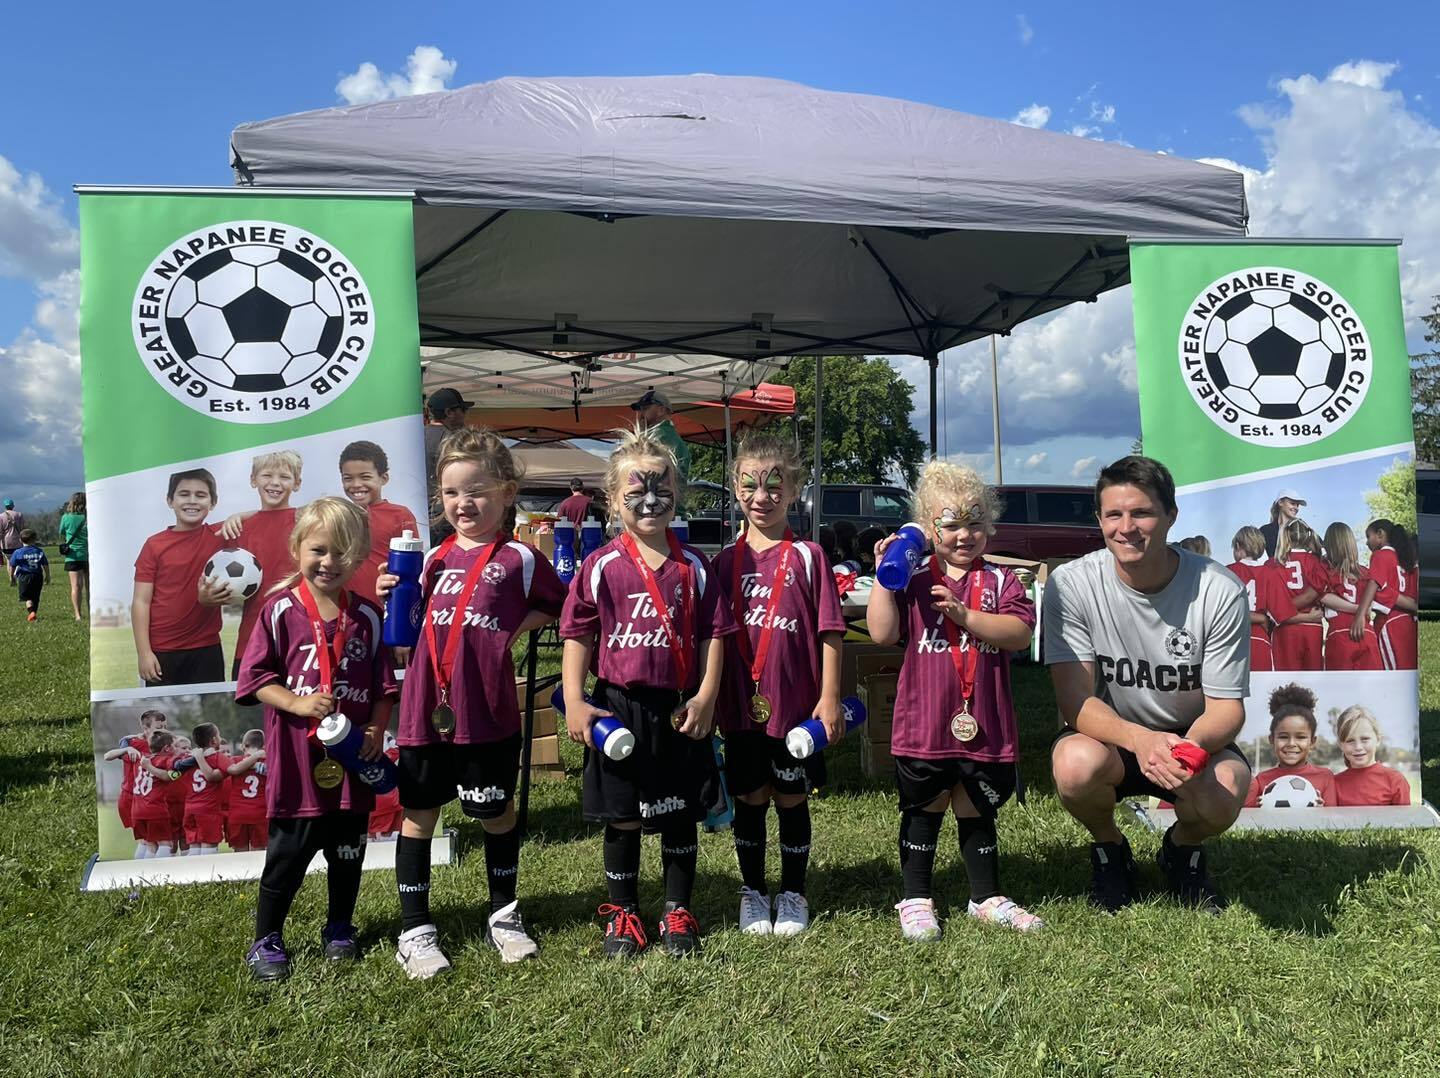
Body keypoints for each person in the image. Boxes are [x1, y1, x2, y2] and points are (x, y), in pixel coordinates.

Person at [377, 427, 566, 978]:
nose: (464, 504)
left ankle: (504, 916)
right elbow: (411, 632)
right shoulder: (430, 559)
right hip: (424, 712)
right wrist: (393, 595)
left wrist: (511, 628)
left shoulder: (519, 559)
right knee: (419, 817)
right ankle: (414, 930)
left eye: (477, 491)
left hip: (486, 712)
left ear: (507, 492)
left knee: (497, 813)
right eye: (453, 493)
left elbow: (563, 608)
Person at [560, 422, 736, 958]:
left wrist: (707, 696)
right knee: (624, 814)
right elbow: (577, 634)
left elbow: (714, 635)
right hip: (618, 706)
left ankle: (678, 909)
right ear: (613, 500)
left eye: (661, 489)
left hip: (680, 706)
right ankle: (624, 912)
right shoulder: (600, 566)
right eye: (636, 492)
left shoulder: (696, 567)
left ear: (677, 493)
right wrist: (573, 699)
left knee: (679, 809)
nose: (650, 500)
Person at [1045, 455, 1250, 914]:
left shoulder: (1220, 589)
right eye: (1113, 514)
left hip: (1188, 740)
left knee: (1225, 795)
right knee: (1074, 767)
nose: (1126, 527)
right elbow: (1074, 700)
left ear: (1171, 516)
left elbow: (1227, 710)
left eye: (1142, 513)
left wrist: (1186, 749)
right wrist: (1140, 740)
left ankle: (1181, 849)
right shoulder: (1071, 584)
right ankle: (1110, 848)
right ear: (1099, 519)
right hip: (1109, 739)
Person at [868, 461, 1041, 940]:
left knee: (976, 809)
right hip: (925, 724)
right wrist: (886, 577)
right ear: (928, 528)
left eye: (974, 522)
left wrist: (966, 615)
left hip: (983, 722)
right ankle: (916, 896)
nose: (964, 535)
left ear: (989, 524)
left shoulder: (1003, 581)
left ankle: (985, 896)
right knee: (925, 809)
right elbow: (882, 633)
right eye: (950, 524)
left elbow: (1019, 634)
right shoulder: (913, 576)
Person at [234, 497, 398, 982]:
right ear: (297, 547)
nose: (329, 562)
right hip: (298, 764)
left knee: (348, 851)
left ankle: (340, 927)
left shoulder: (367, 615)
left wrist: (375, 726)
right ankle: (266, 938)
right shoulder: (279, 611)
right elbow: (254, 679)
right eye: (319, 550)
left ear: (361, 555)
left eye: (343, 553)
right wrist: (297, 703)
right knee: (287, 856)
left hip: (351, 763)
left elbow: (385, 684)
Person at [713, 432, 846, 937]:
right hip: (739, 707)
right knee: (749, 797)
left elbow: (830, 631)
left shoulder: (810, 556)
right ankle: (752, 892)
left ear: (793, 490)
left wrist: (829, 699)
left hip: (794, 709)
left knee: (791, 798)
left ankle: (792, 892)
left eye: (774, 485)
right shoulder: (724, 562)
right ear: (735, 488)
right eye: (750, 484)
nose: (761, 496)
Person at [131, 469, 228, 686]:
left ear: (213, 502)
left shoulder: (220, 536)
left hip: (207, 648)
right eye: (184, 494)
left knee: (209, 711)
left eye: (201, 495)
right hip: (162, 650)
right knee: (164, 711)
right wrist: (144, 653)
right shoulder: (154, 545)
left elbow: (257, 518)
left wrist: (237, 518)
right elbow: (141, 601)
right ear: (170, 500)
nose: (192, 501)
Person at [220, 451, 304, 677]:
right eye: (267, 475)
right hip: (252, 640)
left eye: (284, 477)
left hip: (299, 639)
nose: (275, 482)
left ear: (297, 484)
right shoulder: (238, 528)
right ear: (253, 479)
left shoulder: (305, 521)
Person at [1243, 684, 1337, 807]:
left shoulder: (1325, 777)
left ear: (1312, 742)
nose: (1291, 744)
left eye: (1301, 737)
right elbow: (1252, 822)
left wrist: (1322, 812)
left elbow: (1333, 821)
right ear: (1272, 740)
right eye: (1283, 737)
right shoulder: (1261, 780)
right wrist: (1258, 810)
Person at [1225, 526, 1296, 673]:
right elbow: (1282, 614)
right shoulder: (1270, 574)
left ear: (1238, 545)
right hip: (1259, 640)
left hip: (1230, 640)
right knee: (1261, 692)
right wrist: (1262, 618)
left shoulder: (1226, 572)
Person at [103, 709, 169, 857]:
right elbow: (107, 756)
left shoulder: (162, 743)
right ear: (145, 728)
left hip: (147, 798)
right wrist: (126, 748)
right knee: (151, 842)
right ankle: (145, 873)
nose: (163, 730)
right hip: (133, 798)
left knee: (148, 841)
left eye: (165, 726)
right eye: (159, 727)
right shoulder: (134, 744)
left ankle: (143, 872)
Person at [1354, 519, 1418, 671]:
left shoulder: (1380, 555)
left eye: (1368, 536)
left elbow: (1374, 582)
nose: (1367, 543)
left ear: (1380, 534)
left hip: (1390, 623)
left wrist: (1360, 615)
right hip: (1408, 621)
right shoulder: (1404, 557)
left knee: (1393, 672)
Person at [1318, 523, 1381, 671]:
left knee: (1341, 690)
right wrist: (1360, 608)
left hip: (1339, 636)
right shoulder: (1365, 572)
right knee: (1373, 687)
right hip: (1367, 633)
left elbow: (1323, 596)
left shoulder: (1326, 570)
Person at [1272, 520, 1327, 672]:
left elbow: (1274, 607)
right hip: (1312, 626)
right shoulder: (1317, 562)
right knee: (1313, 685)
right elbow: (1318, 591)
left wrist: (1284, 609)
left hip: (1286, 629)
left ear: (1286, 537)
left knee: (1287, 685)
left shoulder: (1273, 564)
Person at [1332, 705, 1410, 806]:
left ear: (1378, 739)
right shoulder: (1334, 784)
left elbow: (1405, 820)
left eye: (1364, 739)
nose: (1358, 747)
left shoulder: (1395, 781)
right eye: (1350, 741)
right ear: (1341, 745)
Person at [424, 387, 472, 542]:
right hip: (444, 515)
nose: (465, 415)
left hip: (414, 512)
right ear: (449, 412)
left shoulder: (412, 435)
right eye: (463, 410)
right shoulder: (456, 441)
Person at [127, 730, 182, 859]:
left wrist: (128, 747)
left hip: (137, 810)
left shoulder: (141, 758)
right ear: (167, 748)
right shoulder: (165, 761)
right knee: (165, 844)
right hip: (154, 809)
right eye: (174, 745)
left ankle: (142, 874)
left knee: (150, 844)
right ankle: (160, 875)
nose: (176, 748)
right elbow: (168, 776)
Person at [631, 389, 691, 504]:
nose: (641, 414)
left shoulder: (657, 436)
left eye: (645, 408)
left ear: (661, 410)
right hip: (671, 509)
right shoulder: (671, 436)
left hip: (659, 510)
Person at [181, 723, 230, 857]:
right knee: (208, 846)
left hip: (190, 808)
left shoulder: (186, 759)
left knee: (194, 846)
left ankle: (193, 877)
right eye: (218, 736)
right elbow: (229, 771)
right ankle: (208, 876)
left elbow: (173, 773)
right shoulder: (217, 757)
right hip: (208, 810)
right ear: (214, 740)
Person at [225, 729, 268, 853]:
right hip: (260, 812)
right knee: (258, 852)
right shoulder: (267, 762)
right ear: (264, 746)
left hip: (238, 813)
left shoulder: (235, 761)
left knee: (240, 853)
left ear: (243, 746)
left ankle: (240, 873)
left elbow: (232, 770)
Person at [58, 492, 89, 622]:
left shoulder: (66, 517)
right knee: (90, 587)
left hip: (72, 556)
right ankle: (92, 611)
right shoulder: (89, 517)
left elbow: (61, 532)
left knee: (76, 586)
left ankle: (78, 614)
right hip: (89, 555)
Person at [8, 528, 49, 622]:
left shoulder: (18, 552)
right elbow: (45, 564)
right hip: (38, 576)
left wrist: (12, 577)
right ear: (34, 540)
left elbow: (12, 565)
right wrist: (48, 575)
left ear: (20, 540)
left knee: (27, 598)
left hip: (24, 577)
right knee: (35, 597)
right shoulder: (39, 551)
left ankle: (31, 612)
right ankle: (34, 613)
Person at [1259, 488, 1305, 558]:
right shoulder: (1265, 530)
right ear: (1280, 502)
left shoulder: (1302, 528)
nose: (1296, 508)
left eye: (1297, 505)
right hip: (1275, 568)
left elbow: (1321, 549)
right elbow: (1252, 551)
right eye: (1292, 503)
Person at [0, 497, 24, 568]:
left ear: (5, 506)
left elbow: (0, 532)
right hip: (18, 542)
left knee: (9, 561)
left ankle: (11, 578)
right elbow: (22, 529)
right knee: (18, 561)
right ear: (13, 506)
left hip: (6, 543)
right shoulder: (19, 515)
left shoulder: (1, 516)